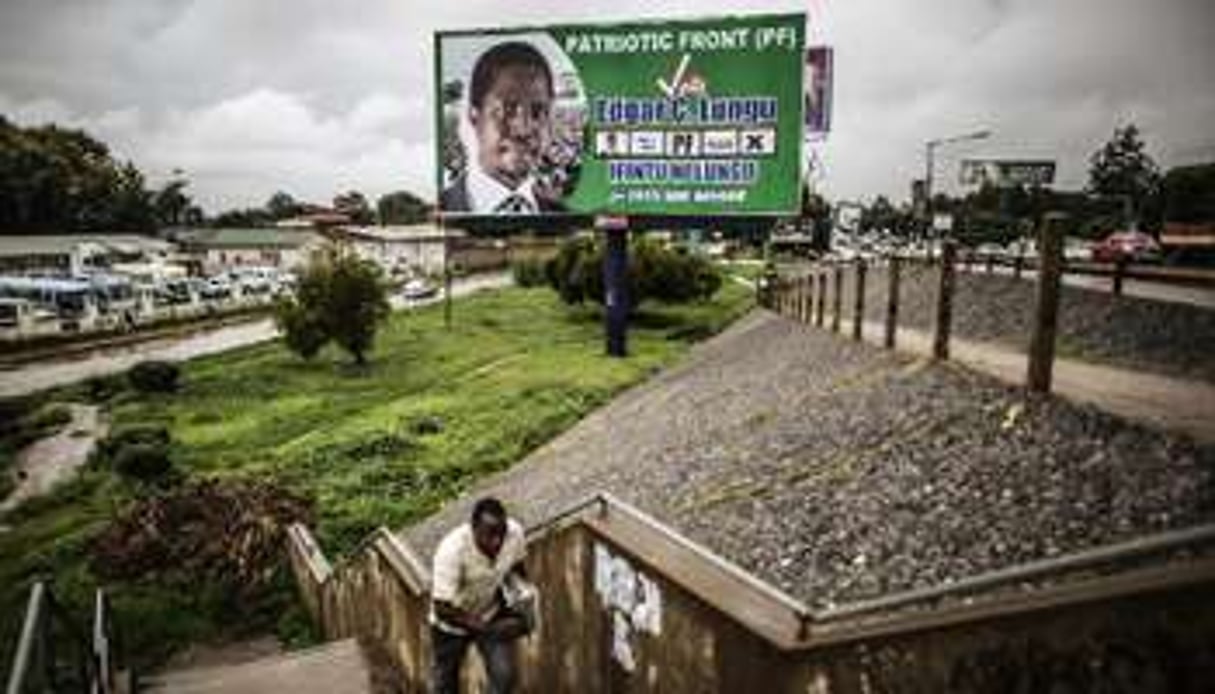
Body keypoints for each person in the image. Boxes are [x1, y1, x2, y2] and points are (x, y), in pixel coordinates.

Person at [442, 41, 565, 215]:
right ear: (474, 116)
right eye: (507, 110)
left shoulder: (565, 218)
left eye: (538, 112)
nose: (524, 129)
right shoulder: (443, 211)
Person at [430, 497, 530, 693]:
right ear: (473, 528)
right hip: (450, 626)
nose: (497, 542)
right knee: (445, 683)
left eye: (501, 534)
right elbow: (441, 607)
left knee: (504, 677)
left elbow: (517, 568)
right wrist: (484, 628)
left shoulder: (515, 534)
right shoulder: (451, 551)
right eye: (490, 535)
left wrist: (522, 600)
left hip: (489, 613)